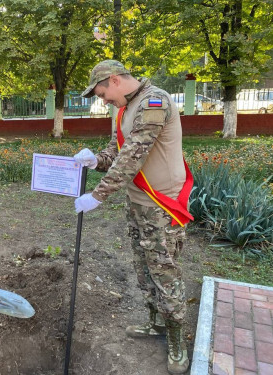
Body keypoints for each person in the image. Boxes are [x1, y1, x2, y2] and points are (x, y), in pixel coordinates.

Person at [73, 60, 193, 375]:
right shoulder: (125, 109)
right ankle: (155, 323)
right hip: (138, 202)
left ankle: (177, 341)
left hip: (161, 206)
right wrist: (94, 160)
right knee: (144, 267)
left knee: (165, 273)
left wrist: (98, 195)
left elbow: (133, 155)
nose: (103, 101)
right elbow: (116, 152)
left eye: (102, 94)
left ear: (114, 80)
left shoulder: (155, 102)